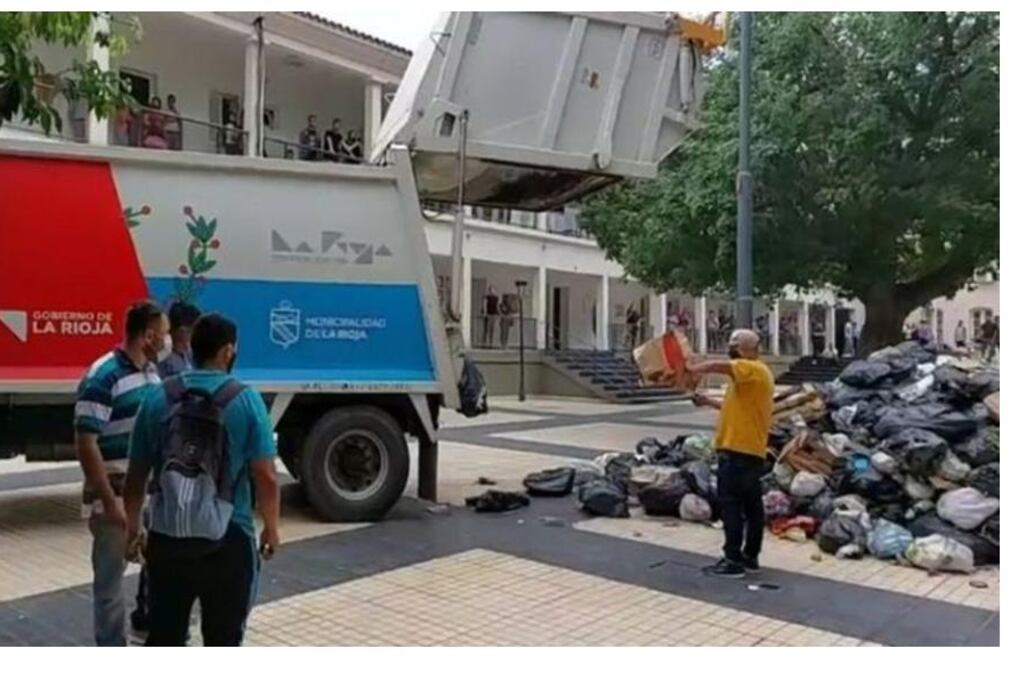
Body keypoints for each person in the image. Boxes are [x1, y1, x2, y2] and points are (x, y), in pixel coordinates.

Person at [124, 313, 280, 647]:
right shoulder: (247, 400)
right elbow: (266, 475)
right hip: (229, 537)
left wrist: (133, 529)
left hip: (167, 539)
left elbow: (137, 474)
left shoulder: (158, 397)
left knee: (165, 637)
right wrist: (271, 527)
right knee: (223, 640)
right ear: (226, 352)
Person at [75, 301, 168, 646]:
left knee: (156, 572)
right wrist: (109, 503)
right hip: (113, 497)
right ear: (147, 336)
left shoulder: (151, 374)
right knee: (110, 585)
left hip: (146, 495)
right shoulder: (104, 375)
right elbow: (86, 442)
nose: (167, 340)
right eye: (164, 333)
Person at [129, 301, 203, 637]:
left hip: (175, 464)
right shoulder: (171, 366)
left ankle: (158, 611)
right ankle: (148, 609)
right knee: (158, 539)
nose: (168, 338)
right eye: (166, 332)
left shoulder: (182, 359)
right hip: (169, 460)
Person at [687, 329, 774, 578]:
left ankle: (732, 559)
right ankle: (750, 557)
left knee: (731, 505)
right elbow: (734, 407)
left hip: (737, 452)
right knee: (752, 507)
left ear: (748, 349)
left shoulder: (752, 368)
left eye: (735, 346)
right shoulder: (752, 378)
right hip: (750, 452)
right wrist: (707, 402)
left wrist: (693, 368)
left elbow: (721, 365)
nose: (732, 350)